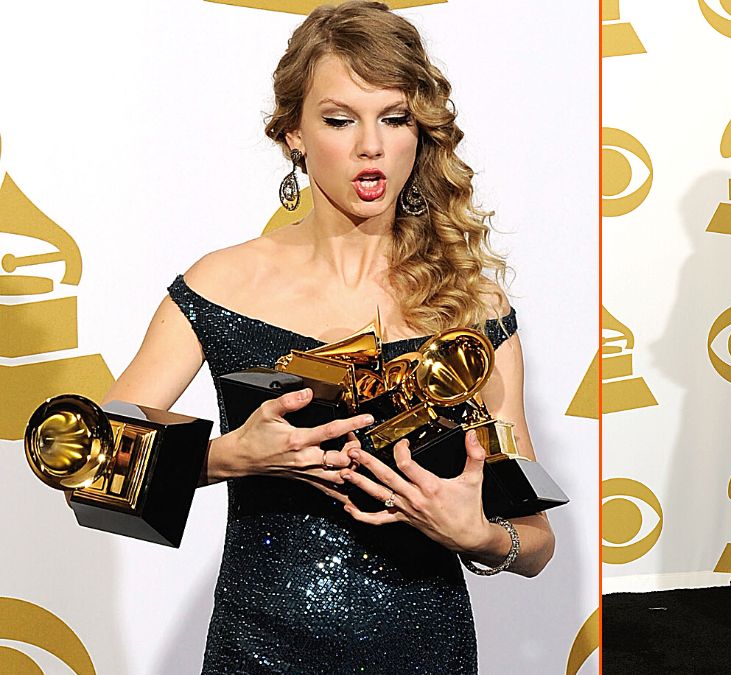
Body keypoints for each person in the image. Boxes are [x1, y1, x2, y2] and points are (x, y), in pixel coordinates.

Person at [104, 3, 554, 672]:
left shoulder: (472, 306)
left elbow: (536, 539)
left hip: (428, 653)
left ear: (419, 132)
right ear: (293, 133)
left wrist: (481, 535)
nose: (370, 145)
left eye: (394, 118)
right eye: (340, 120)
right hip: (257, 651)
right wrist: (231, 455)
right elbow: (92, 467)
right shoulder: (220, 284)